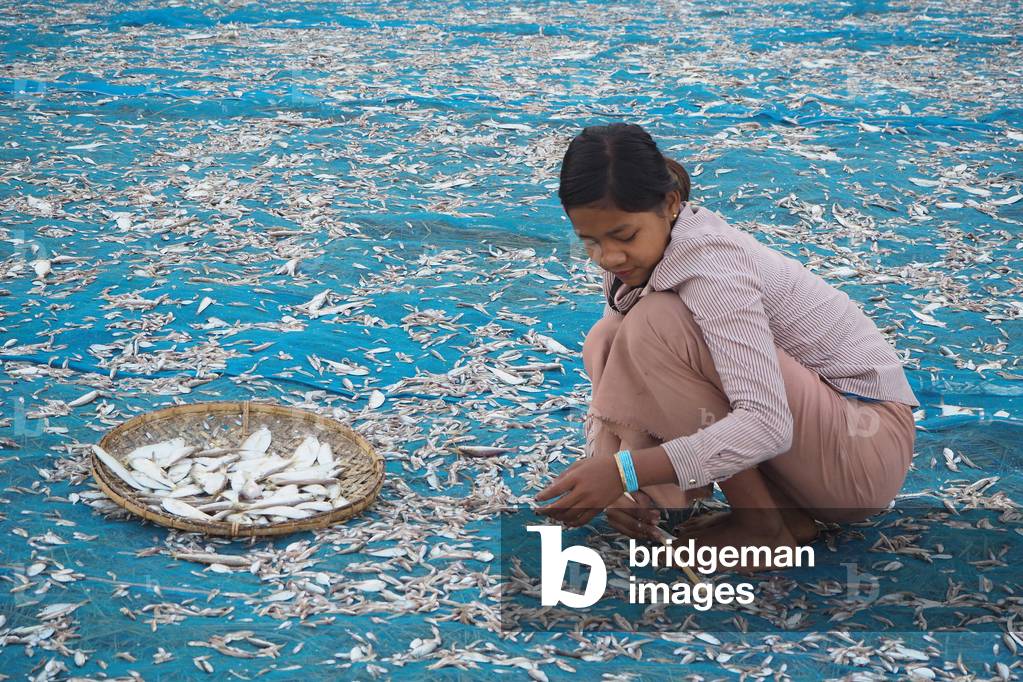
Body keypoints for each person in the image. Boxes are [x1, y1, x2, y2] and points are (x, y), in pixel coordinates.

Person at [535, 123, 918, 570]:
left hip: (862, 447)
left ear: (670, 205)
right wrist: (615, 479)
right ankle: (783, 515)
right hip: (813, 451)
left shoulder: (712, 268)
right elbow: (621, 369)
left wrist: (625, 471)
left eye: (625, 236)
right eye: (591, 241)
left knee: (658, 324)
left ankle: (763, 529)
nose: (609, 257)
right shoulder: (638, 260)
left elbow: (767, 424)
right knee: (607, 335)